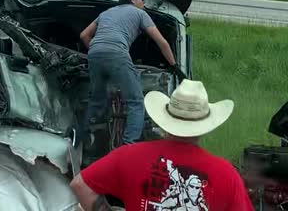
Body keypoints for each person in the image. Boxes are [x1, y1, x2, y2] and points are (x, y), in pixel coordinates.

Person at [70, 79, 254, 211]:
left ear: (164, 120)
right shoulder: (227, 174)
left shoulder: (128, 156)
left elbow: (80, 185)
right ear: (205, 127)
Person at [79, 0, 182, 147]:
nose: (144, 4)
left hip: (94, 54)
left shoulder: (106, 13)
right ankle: (129, 146)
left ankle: (80, 138)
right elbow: (161, 42)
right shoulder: (140, 14)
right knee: (136, 101)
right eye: (142, 0)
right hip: (117, 54)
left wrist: (97, 50)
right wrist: (174, 66)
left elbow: (84, 35)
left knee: (97, 100)